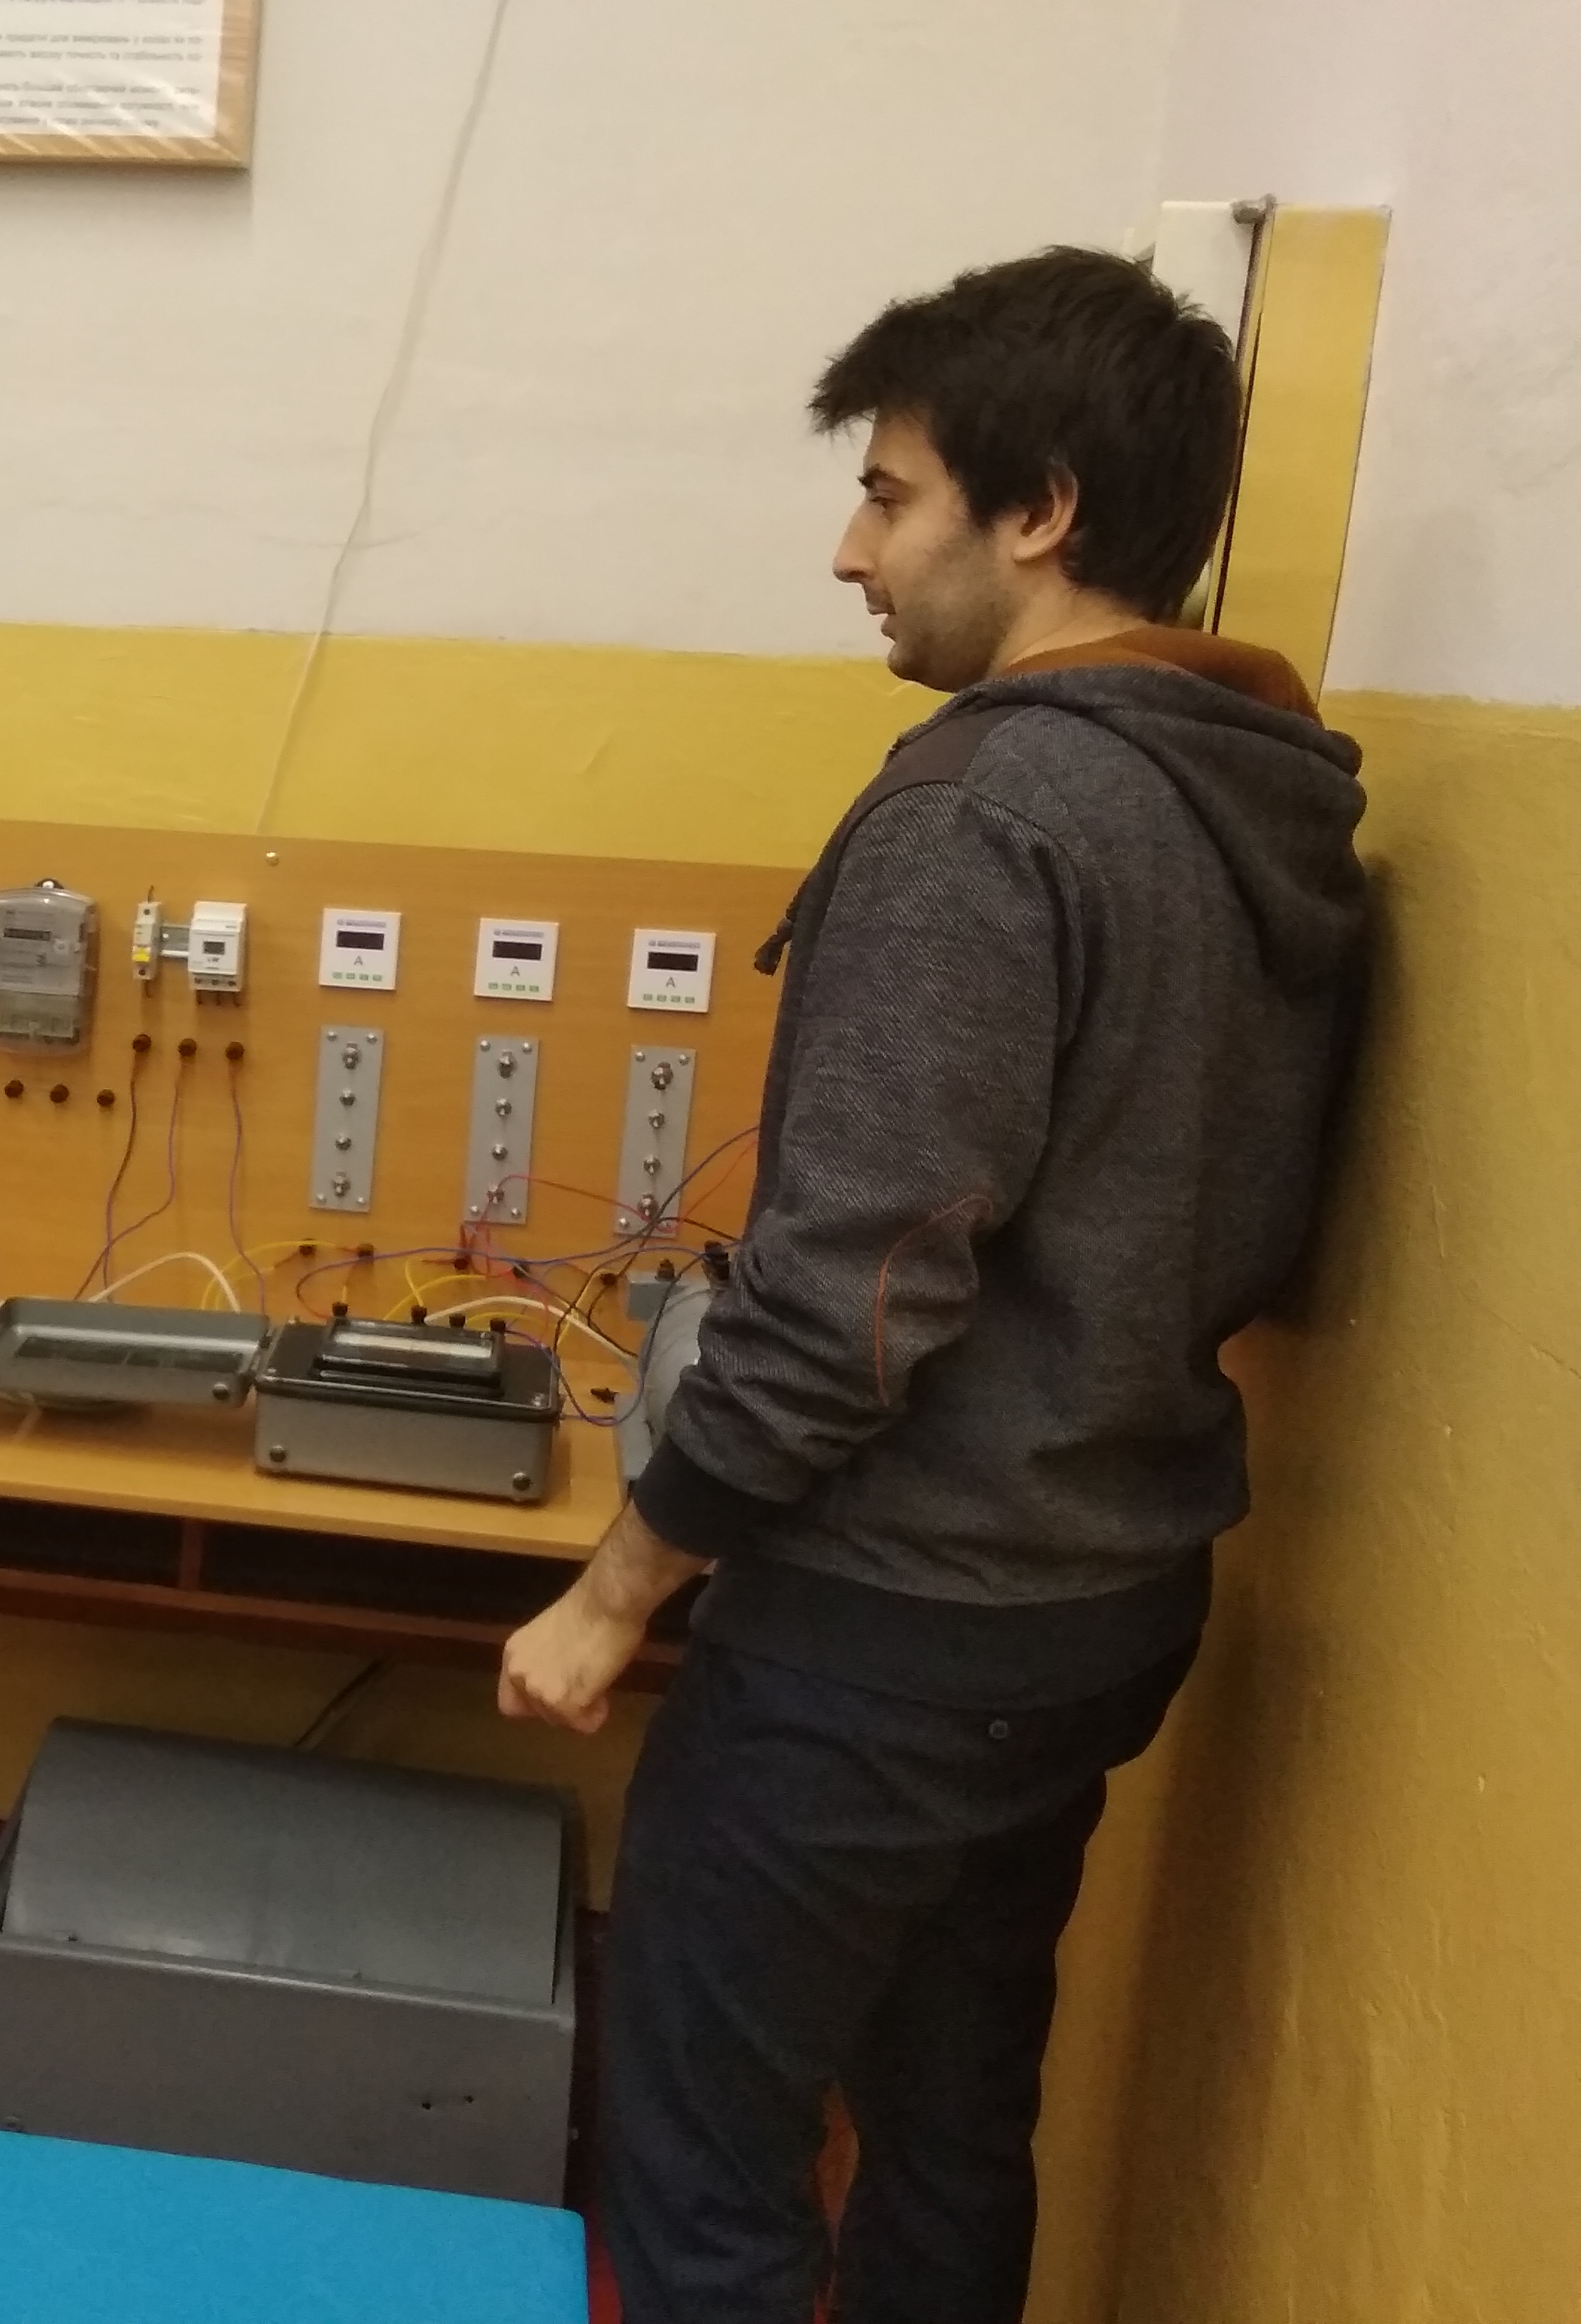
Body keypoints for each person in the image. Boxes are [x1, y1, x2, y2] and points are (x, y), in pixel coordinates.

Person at [498, 247, 1368, 2322]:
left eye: (889, 498)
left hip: (885, 1638)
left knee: (705, 2164)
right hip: (1098, 1599)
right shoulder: (1258, 793)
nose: (851, 553)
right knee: (952, 2124)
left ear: (1038, 511)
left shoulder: (985, 813)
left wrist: (617, 1589)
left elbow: (852, 1302)